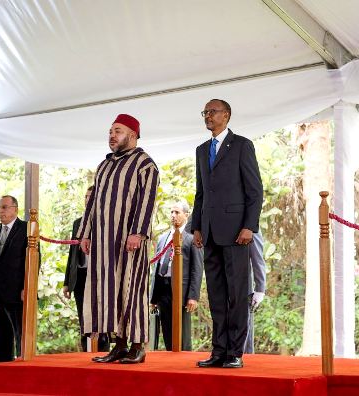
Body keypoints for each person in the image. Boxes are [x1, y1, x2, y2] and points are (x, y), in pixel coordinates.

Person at [79, 113, 159, 364]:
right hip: (104, 243)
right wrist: (85, 233)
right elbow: (93, 202)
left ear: (133, 135)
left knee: (131, 291)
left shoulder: (145, 164)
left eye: (118, 130)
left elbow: (148, 201)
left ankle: (138, 345)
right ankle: (120, 344)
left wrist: (138, 232)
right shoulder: (104, 166)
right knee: (109, 292)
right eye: (111, 131)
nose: (112, 135)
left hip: (129, 242)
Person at [192, 99, 263, 368]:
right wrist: (196, 226)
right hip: (209, 232)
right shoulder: (201, 150)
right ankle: (219, 350)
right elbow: (201, 193)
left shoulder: (242, 145)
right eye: (205, 113)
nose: (208, 116)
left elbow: (255, 191)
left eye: (213, 112)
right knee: (217, 295)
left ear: (227, 115)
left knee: (237, 292)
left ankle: (235, 352)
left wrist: (249, 226)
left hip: (236, 233)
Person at [150, 203, 203, 351]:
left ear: (186, 215)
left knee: (182, 333)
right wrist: (152, 298)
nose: (173, 215)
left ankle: (184, 364)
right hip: (163, 289)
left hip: (182, 290)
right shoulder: (162, 238)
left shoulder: (192, 238)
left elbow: (197, 269)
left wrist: (193, 296)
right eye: (171, 212)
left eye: (177, 212)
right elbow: (157, 267)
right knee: (167, 330)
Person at [64, 186, 110, 352]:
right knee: (84, 319)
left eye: (91, 196)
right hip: (80, 276)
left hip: (98, 276)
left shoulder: (105, 221)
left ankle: (103, 350)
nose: (87, 199)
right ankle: (85, 353)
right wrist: (67, 282)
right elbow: (72, 253)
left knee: (99, 318)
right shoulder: (78, 222)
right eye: (85, 196)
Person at [0, 195, 28, 362]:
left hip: (18, 293)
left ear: (15, 209)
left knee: (20, 335)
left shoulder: (27, 229)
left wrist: (27, 287)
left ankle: (21, 370)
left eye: (4, 207)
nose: (0, 211)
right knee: (1, 336)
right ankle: (2, 369)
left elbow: (33, 261)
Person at [244, 231, 266, 354]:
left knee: (244, 327)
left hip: (244, 284)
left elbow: (257, 257)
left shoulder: (251, 221)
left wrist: (260, 289)